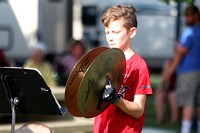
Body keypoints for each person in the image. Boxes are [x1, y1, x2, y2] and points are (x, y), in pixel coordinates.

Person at [93, 5, 153, 133]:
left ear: (132, 32)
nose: (110, 37)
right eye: (107, 32)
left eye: (116, 32)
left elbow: (138, 110)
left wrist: (116, 99)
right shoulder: (102, 62)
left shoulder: (139, 66)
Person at [164, 5, 200, 133]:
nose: (187, 18)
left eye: (189, 15)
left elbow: (180, 53)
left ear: (196, 15)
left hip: (188, 71)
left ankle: (185, 130)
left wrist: (169, 71)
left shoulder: (189, 32)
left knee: (188, 102)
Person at [154, 58, 178, 124]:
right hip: (169, 88)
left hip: (178, 89)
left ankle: (174, 120)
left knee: (172, 95)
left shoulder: (184, 63)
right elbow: (164, 78)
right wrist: (160, 87)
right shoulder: (169, 62)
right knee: (159, 95)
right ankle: (160, 119)